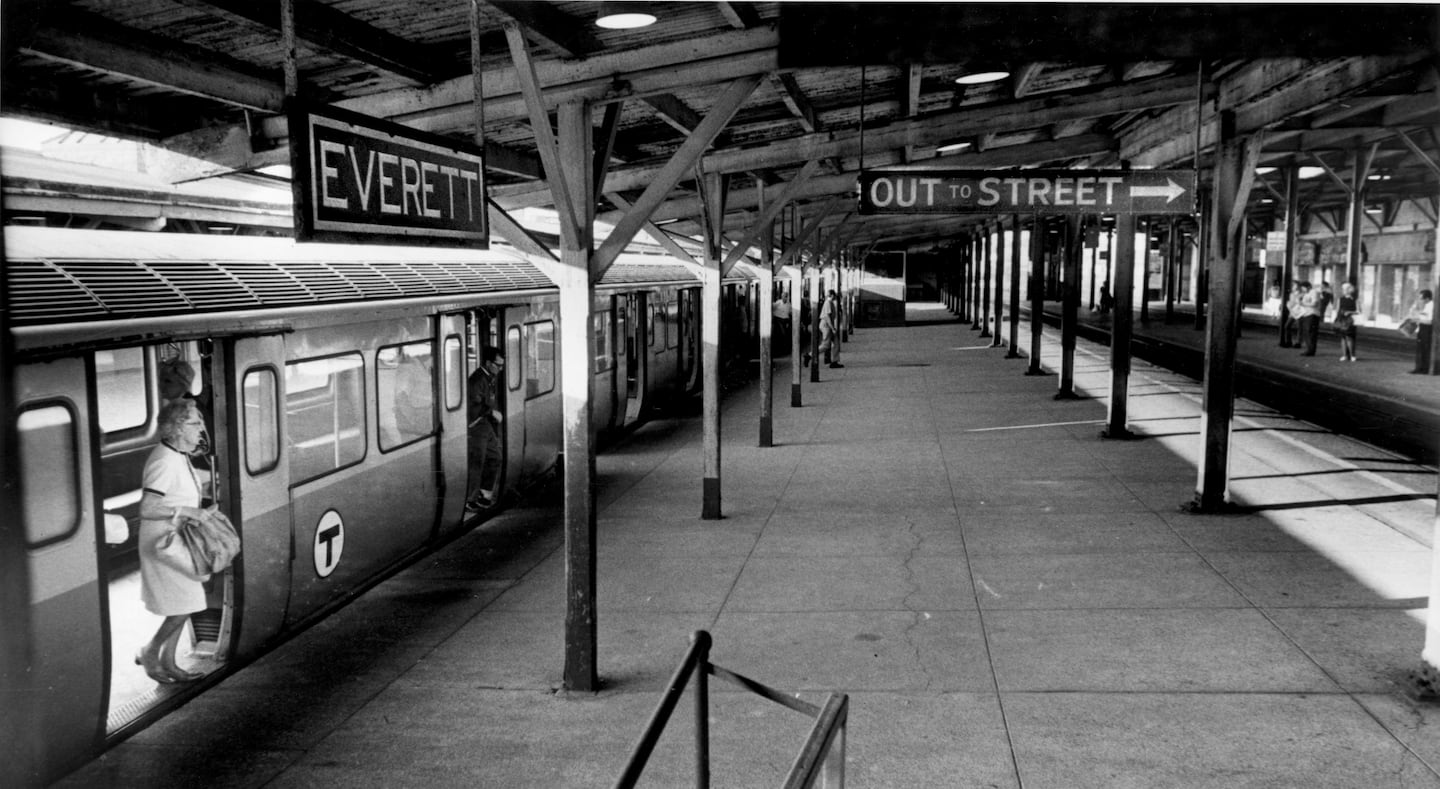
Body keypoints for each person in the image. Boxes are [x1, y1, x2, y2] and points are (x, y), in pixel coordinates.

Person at [135, 400, 212, 684]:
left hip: (175, 540)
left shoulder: (178, 454)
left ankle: (170, 662)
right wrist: (185, 511)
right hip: (163, 544)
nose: (201, 428)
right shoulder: (164, 460)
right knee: (185, 604)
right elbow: (147, 507)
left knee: (186, 602)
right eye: (195, 423)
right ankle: (151, 652)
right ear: (179, 428)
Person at [467, 347, 504, 509]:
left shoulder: (489, 376)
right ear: (488, 363)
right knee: (477, 462)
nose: (501, 369)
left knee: (495, 456)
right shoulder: (478, 380)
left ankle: (484, 494)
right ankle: (471, 500)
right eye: (498, 365)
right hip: (476, 425)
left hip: (484, 423)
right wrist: (492, 412)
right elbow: (474, 403)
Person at [1409, 290, 1434, 374]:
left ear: (1427, 298)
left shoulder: (1431, 306)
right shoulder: (1427, 306)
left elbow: (1430, 321)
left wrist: (1417, 319)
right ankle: (1420, 368)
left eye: (1421, 298)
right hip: (1423, 329)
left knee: (1425, 350)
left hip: (1427, 330)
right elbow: (1423, 316)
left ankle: (1424, 369)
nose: (1420, 300)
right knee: (1421, 349)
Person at [1333, 282, 1359, 362]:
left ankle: (1352, 355)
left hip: (1351, 320)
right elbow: (1337, 310)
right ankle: (1344, 355)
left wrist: (1350, 312)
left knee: (1350, 337)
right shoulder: (1340, 299)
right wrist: (1336, 319)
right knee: (1343, 337)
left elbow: (1358, 311)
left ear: (1350, 290)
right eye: (1343, 289)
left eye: (1345, 289)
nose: (1343, 290)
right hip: (1342, 320)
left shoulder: (1355, 300)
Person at [1296, 281, 1320, 356]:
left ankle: (1311, 350)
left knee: (1310, 333)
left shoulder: (1314, 292)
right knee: (1306, 333)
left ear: (1308, 286)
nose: (1302, 289)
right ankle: (1309, 349)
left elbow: (1314, 303)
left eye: (1303, 287)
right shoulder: (1306, 293)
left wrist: (1303, 303)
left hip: (1312, 314)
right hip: (1306, 314)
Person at [820, 289, 843, 368]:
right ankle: (810, 355)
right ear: (832, 295)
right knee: (826, 345)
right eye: (835, 295)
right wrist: (833, 328)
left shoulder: (831, 303)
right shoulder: (828, 303)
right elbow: (827, 317)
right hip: (826, 325)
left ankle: (835, 361)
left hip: (829, 325)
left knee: (836, 342)